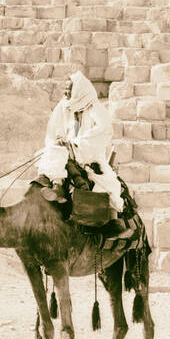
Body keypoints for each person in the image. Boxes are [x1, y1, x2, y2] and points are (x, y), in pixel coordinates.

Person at [38, 72, 130, 234]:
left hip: (89, 155)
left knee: (107, 182)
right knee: (49, 154)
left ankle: (112, 222)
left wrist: (76, 145)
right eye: (65, 89)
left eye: (69, 89)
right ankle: (57, 186)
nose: (65, 93)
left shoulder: (95, 108)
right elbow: (53, 131)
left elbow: (103, 131)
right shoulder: (63, 107)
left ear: (79, 91)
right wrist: (60, 141)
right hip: (64, 154)